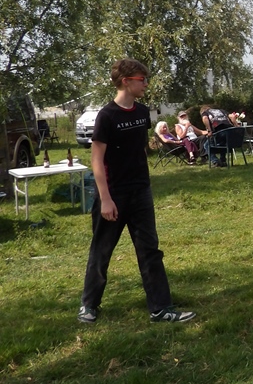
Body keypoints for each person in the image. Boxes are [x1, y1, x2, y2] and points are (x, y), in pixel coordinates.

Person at [77, 58, 196, 324]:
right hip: (113, 194)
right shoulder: (107, 116)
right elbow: (97, 159)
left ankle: (161, 308)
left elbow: (138, 149)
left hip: (140, 192)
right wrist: (105, 199)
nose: (146, 84)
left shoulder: (142, 112)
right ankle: (89, 305)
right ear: (125, 81)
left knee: (149, 250)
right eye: (141, 80)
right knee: (102, 251)